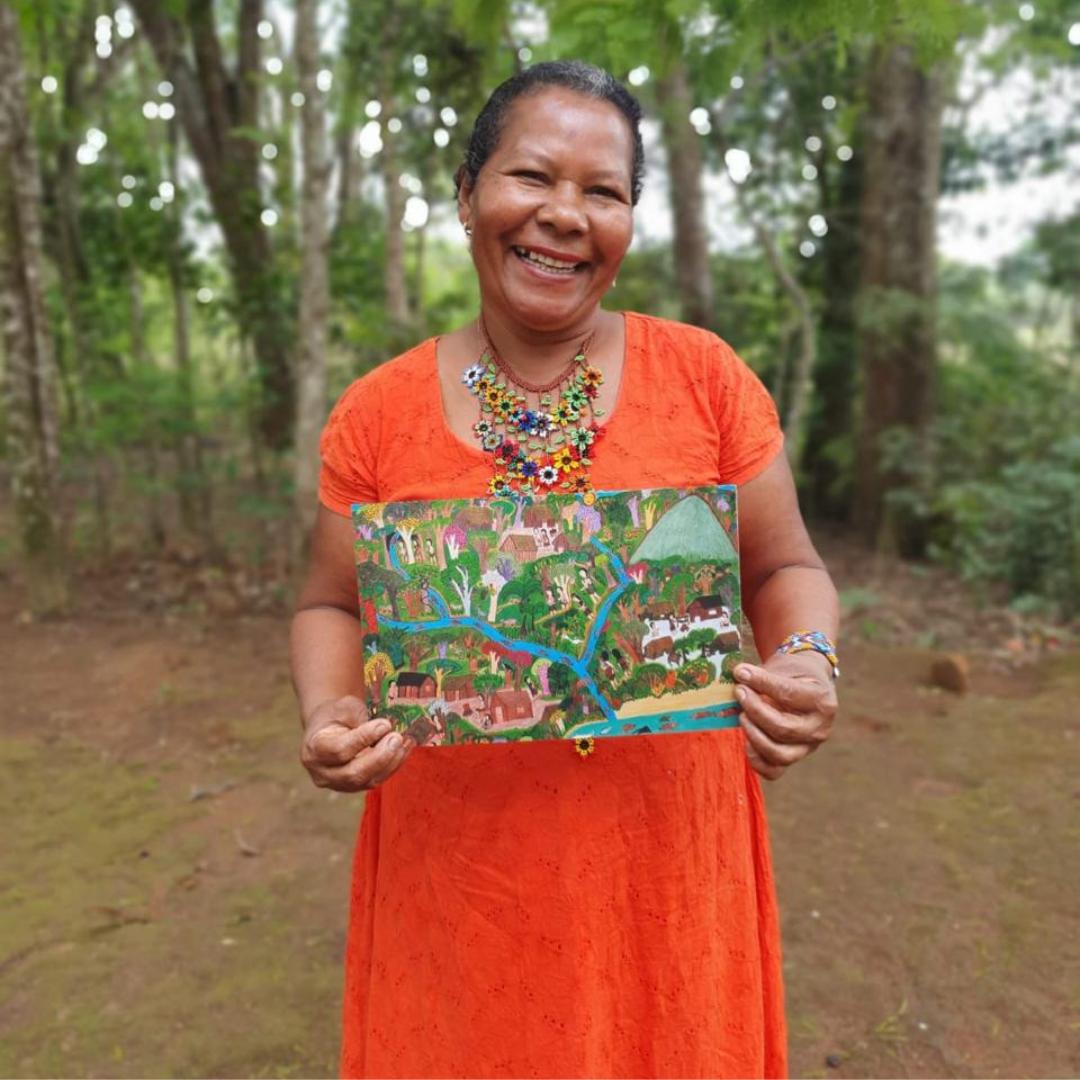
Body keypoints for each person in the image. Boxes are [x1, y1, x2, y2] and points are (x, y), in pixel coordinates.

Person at [291, 60, 839, 1079]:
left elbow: (784, 567)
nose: (564, 215)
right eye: (531, 177)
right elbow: (331, 600)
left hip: (667, 866)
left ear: (630, 223)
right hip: (462, 874)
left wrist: (808, 657)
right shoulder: (376, 413)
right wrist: (327, 711)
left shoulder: (708, 382)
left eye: (605, 191)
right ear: (467, 196)